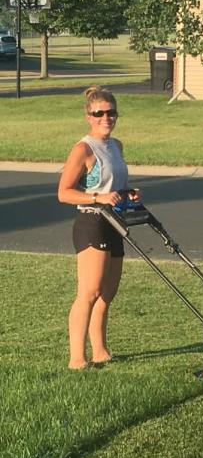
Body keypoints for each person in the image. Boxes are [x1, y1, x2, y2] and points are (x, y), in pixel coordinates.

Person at [58, 85, 139, 369]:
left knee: (108, 293)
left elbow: (111, 184)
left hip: (114, 221)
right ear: (89, 116)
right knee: (89, 292)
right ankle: (77, 358)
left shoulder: (116, 146)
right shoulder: (83, 149)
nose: (106, 118)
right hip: (91, 221)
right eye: (99, 113)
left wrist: (126, 192)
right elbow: (64, 192)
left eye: (111, 112)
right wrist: (98, 197)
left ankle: (101, 350)